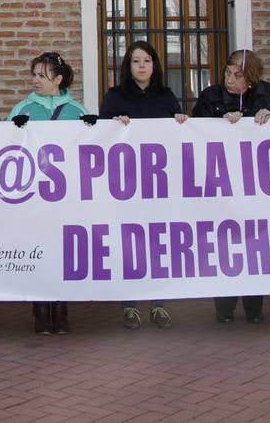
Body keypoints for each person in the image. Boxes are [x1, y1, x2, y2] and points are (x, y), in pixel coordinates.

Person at [192, 49, 270, 324]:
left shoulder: (268, 93)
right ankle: (224, 309)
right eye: (227, 72)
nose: (230, 79)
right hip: (221, 183)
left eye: (238, 75)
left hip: (256, 182)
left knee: (255, 243)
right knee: (224, 244)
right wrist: (219, 124)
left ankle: (254, 309)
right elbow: (194, 129)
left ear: (252, 78)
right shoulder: (211, 96)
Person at [99, 41, 186, 331]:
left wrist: (182, 121)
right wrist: (113, 124)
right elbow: (100, 133)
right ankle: (130, 305)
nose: (141, 66)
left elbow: (180, 132)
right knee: (130, 242)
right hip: (126, 183)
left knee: (159, 241)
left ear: (154, 65)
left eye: (147, 60)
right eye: (136, 61)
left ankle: (159, 303)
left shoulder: (166, 96)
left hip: (160, 184)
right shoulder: (114, 96)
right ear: (128, 66)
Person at [9, 51, 88, 335]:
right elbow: (6, 149)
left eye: (42, 75)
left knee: (62, 251)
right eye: (34, 74)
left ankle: (61, 308)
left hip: (65, 197)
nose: (35, 80)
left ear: (58, 79)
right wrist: (12, 132)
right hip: (34, 194)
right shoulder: (22, 108)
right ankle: (40, 310)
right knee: (38, 249)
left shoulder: (77, 111)